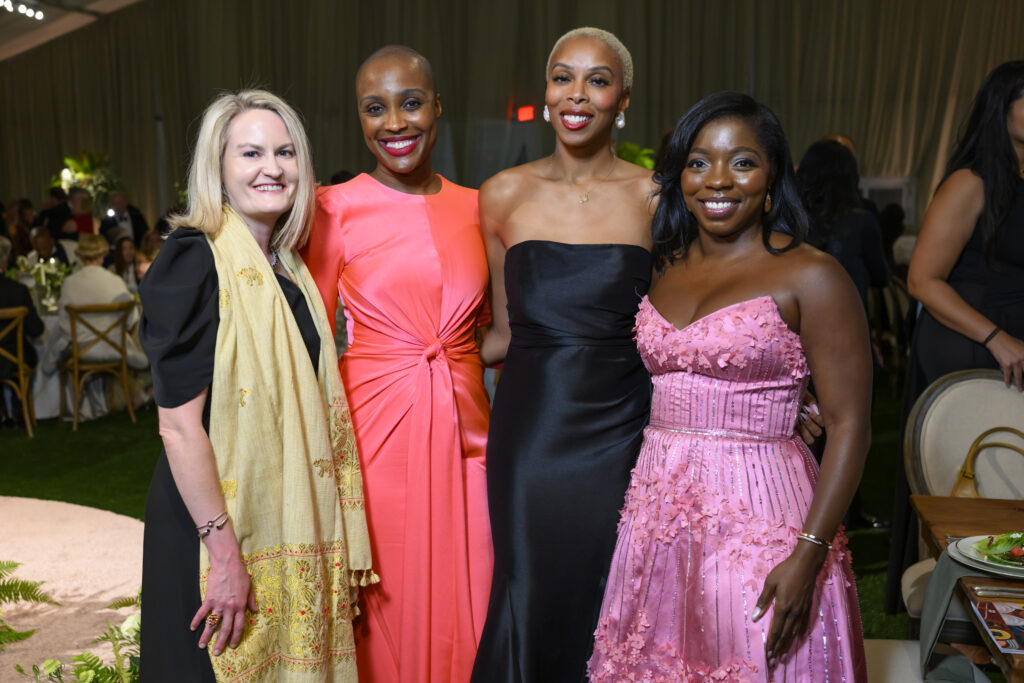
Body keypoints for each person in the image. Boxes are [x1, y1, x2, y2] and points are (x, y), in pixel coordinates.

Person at [588, 91, 868, 682]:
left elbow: (850, 425)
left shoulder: (813, 274)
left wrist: (809, 552)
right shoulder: (667, 265)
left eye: (742, 162)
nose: (718, 180)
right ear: (680, 176)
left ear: (773, 178)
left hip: (763, 513)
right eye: (698, 162)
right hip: (657, 517)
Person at [138, 89, 375, 681]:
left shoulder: (288, 267)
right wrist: (223, 556)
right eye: (250, 153)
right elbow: (177, 424)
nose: (272, 168)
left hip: (267, 519)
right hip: (207, 528)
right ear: (217, 169)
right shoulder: (194, 258)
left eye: (286, 152)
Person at [301, 45, 492, 683]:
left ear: (437, 106)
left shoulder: (479, 207)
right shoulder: (333, 208)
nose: (395, 123)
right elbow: (311, 343)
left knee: (477, 598)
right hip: (373, 440)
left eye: (411, 103)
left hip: (472, 436)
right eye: (374, 109)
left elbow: (495, 335)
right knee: (385, 609)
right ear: (358, 118)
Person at [471, 28, 656, 682]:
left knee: (616, 591)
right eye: (562, 77)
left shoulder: (655, 197)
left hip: (627, 431)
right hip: (532, 438)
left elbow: (683, 325)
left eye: (598, 80)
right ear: (545, 93)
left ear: (622, 99)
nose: (577, 94)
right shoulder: (501, 195)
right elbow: (498, 332)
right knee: (528, 588)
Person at [886, 60, 1024, 613]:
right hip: (970, 340)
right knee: (968, 485)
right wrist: (996, 337)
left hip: (1010, 342)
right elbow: (922, 279)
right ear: (1001, 108)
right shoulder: (973, 182)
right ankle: (952, 606)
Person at [797, 140, 891, 309]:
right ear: (851, 177)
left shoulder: (789, 219)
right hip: (848, 320)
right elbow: (881, 276)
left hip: (797, 322)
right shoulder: (861, 220)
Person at [45, 234, 147, 371]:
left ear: (80, 256)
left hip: (82, 351)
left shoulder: (70, 283)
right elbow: (131, 320)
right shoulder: (115, 281)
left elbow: (65, 324)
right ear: (102, 255)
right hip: (115, 349)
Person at [0, 236, 44, 427]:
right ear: (4, 261)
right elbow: (36, 330)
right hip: (14, 359)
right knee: (21, 353)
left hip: (9, 358)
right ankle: (19, 410)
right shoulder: (18, 290)